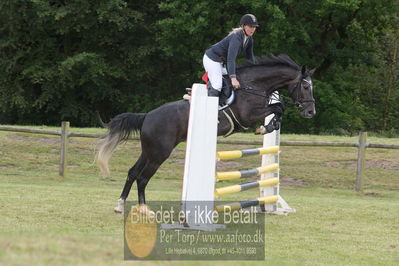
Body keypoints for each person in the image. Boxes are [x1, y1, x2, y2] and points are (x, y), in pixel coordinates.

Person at [203, 14, 259, 98]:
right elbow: (231, 59)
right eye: (250, 26)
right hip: (212, 59)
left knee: (239, 77)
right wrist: (233, 78)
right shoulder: (236, 38)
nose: (253, 29)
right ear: (243, 26)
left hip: (221, 62)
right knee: (217, 85)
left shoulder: (249, 39)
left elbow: (250, 58)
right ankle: (210, 108)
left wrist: (255, 72)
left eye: (254, 27)